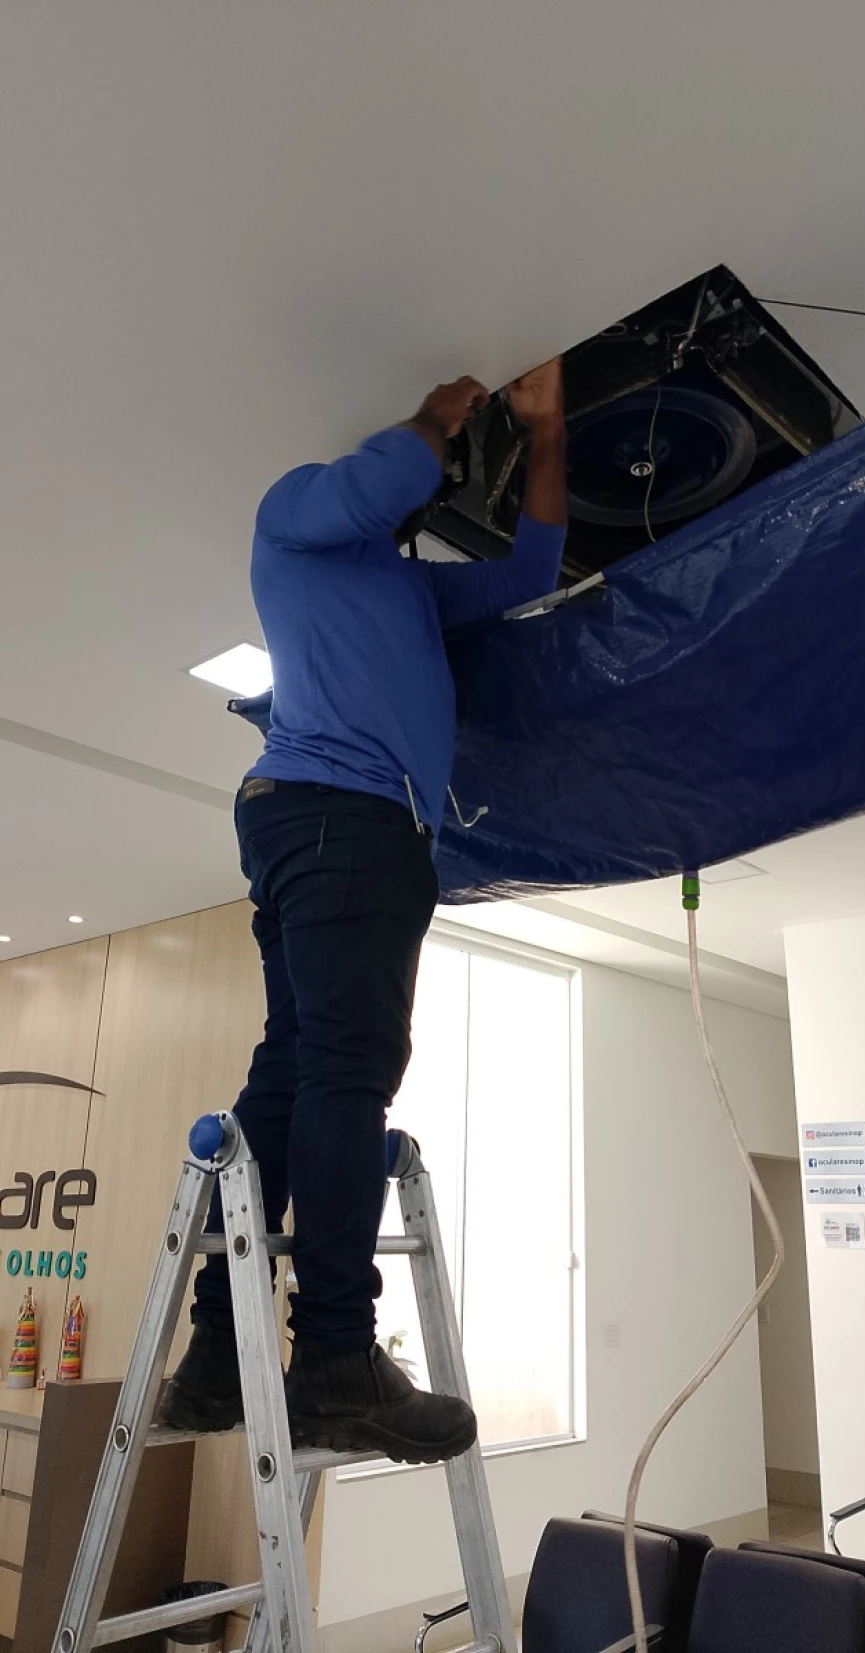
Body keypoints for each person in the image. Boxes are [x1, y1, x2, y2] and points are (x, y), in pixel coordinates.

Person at [162, 358, 568, 1464]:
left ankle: (217, 1354)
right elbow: (385, 476)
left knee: (297, 1064)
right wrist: (438, 414)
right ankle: (337, 1357)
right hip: (344, 818)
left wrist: (545, 433)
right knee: (348, 1067)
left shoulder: (408, 589)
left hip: (319, 824)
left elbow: (531, 568)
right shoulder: (292, 521)